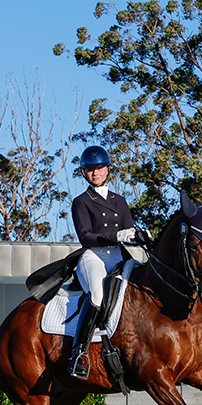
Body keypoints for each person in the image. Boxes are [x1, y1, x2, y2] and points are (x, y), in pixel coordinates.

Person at [67, 145, 136, 379]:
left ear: (107, 169)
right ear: (84, 173)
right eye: (89, 170)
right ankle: (78, 354)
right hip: (93, 256)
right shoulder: (81, 201)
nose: (95, 173)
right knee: (97, 295)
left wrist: (140, 235)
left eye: (99, 168)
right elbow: (85, 236)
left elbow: (129, 230)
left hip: (118, 256)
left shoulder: (120, 200)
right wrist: (116, 236)